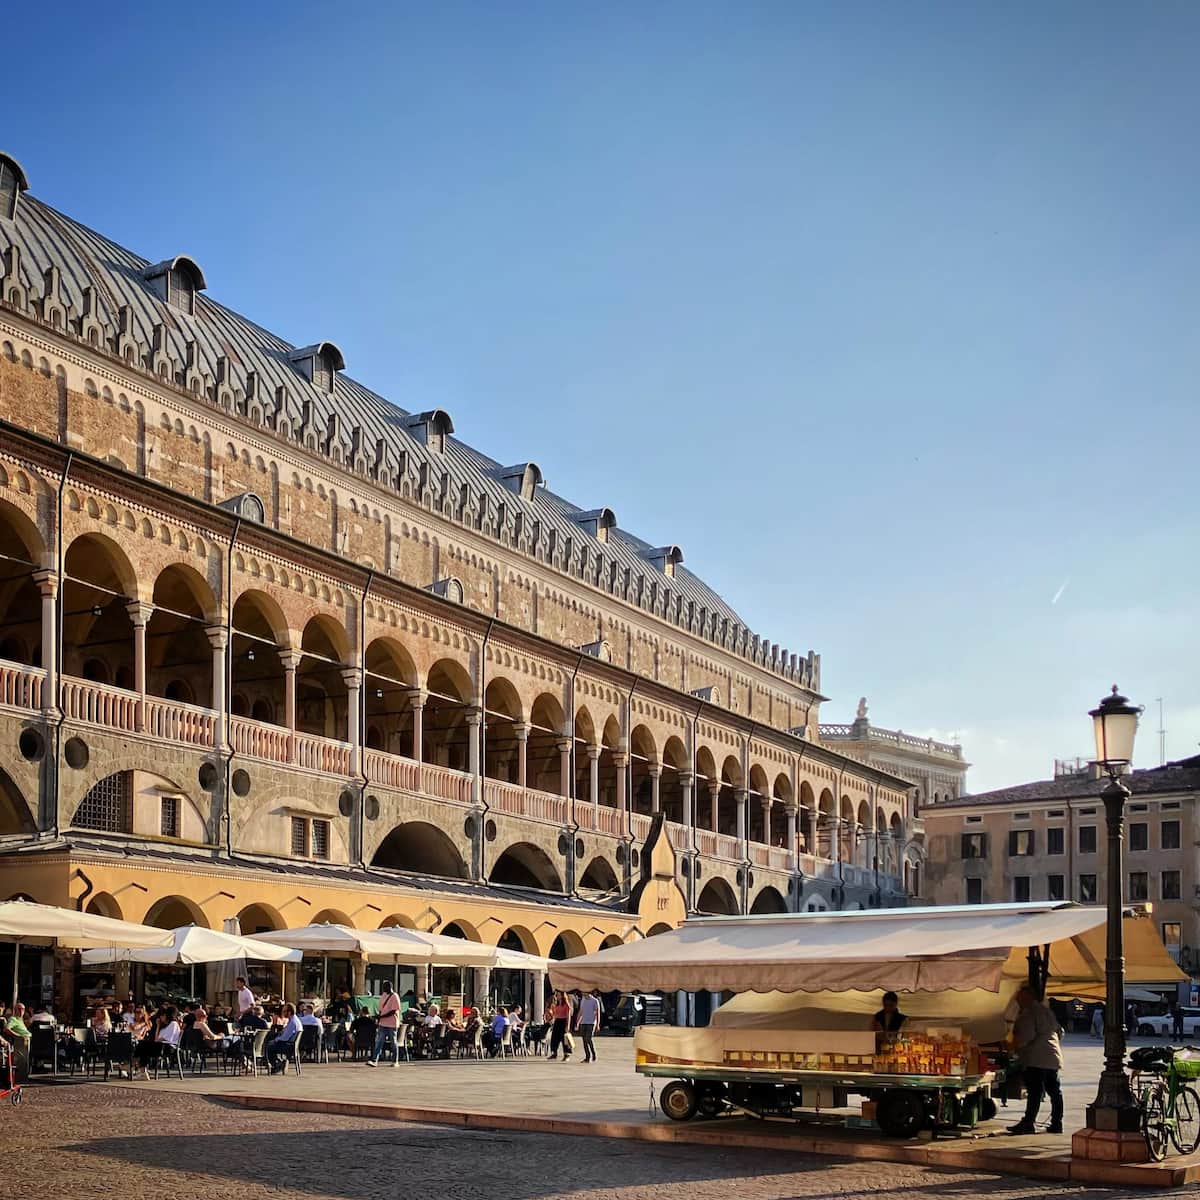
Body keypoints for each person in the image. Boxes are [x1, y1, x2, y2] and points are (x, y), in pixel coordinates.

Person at [1008, 985, 1064, 1136]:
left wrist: (1013, 1046)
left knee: (1035, 1092)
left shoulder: (1029, 1013)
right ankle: (1057, 1123)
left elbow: (1026, 1037)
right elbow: (1060, 1032)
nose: (1017, 1000)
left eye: (1019, 997)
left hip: (1037, 1058)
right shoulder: (1047, 1011)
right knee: (1055, 1092)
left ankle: (1028, 1123)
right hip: (1053, 1057)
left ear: (1027, 997)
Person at [366, 981, 401, 1067]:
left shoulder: (395, 996)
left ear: (390, 987)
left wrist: (382, 1016)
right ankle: (374, 1060)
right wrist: (379, 1016)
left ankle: (395, 1061)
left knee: (393, 1042)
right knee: (379, 1041)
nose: (383, 989)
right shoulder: (384, 995)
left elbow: (393, 1011)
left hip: (392, 1023)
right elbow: (381, 1008)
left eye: (385, 987)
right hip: (383, 1023)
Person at [265, 1003, 302, 1074]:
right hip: (292, 1044)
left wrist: (276, 1039)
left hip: (288, 1045)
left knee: (269, 1046)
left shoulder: (293, 1022)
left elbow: (285, 1038)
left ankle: (277, 1064)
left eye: (284, 1011)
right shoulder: (294, 1020)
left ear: (289, 1012)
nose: (283, 1013)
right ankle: (279, 1062)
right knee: (272, 1043)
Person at [574, 989, 603, 1063]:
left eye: (583, 991)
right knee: (584, 1040)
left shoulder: (594, 1000)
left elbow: (597, 1013)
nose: (582, 992)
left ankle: (593, 1053)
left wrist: (598, 1024)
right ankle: (587, 1057)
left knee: (588, 1038)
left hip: (591, 1022)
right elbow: (580, 1012)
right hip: (583, 1022)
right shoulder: (583, 1000)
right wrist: (577, 1022)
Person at [547, 990, 573, 1061]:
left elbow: (568, 1016)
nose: (557, 996)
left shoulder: (566, 1005)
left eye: (559, 995)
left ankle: (567, 1054)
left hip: (564, 1021)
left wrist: (567, 1025)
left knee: (564, 1038)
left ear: (562, 995)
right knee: (554, 1038)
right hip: (557, 1021)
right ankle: (554, 1053)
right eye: (557, 995)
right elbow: (555, 1014)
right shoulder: (556, 1004)